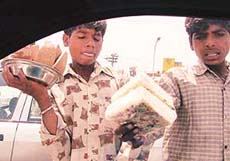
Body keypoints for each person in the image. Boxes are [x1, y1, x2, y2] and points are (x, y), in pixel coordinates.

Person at [2, 20, 150, 161]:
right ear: (66, 39)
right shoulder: (53, 84)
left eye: (96, 38)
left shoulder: (119, 81)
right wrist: (41, 96)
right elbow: (59, 151)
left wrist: (136, 139)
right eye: (82, 36)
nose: (90, 44)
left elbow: (140, 133)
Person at [158, 17, 230, 160]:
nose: (210, 43)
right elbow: (155, 120)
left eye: (219, 34)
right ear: (191, 43)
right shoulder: (176, 80)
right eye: (201, 37)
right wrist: (136, 132)